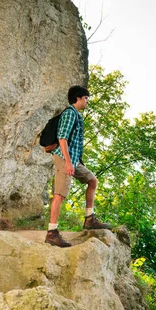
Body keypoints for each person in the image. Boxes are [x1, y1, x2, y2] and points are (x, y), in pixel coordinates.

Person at [45, 85, 110, 247]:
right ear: (79, 98)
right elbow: (62, 138)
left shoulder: (77, 116)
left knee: (92, 180)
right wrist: (67, 162)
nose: (87, 101)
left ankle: (89, 219)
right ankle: (52, 233)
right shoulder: (69, 114)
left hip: (74, 159)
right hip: (64, 158)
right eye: (86, 98)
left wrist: (75, 162)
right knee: (59, 194)